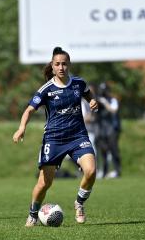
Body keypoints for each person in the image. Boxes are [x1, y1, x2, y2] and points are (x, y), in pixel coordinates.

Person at [13, 46, 99, 227]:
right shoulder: (46, 89)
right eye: (57, 64)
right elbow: (29, 110)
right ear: (52, 66)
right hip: (54, 139)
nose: (61, 67)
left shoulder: (78, 83)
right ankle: (33, 213)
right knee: (44, 183)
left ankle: (79, 203)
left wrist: (91, 100)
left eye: (64, 64)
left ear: (69, 65)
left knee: (91, 171)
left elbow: (87, 92)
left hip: (78, 136)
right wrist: (21, 128)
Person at [96, 82, 122, 178]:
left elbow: (113, 110)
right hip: (102, 130)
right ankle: (104, 172)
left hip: (111, 130)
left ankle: (117, 170)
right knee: (103, 152)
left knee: (114, 150)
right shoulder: (98, 101)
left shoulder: (112, 100)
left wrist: (104, 102)